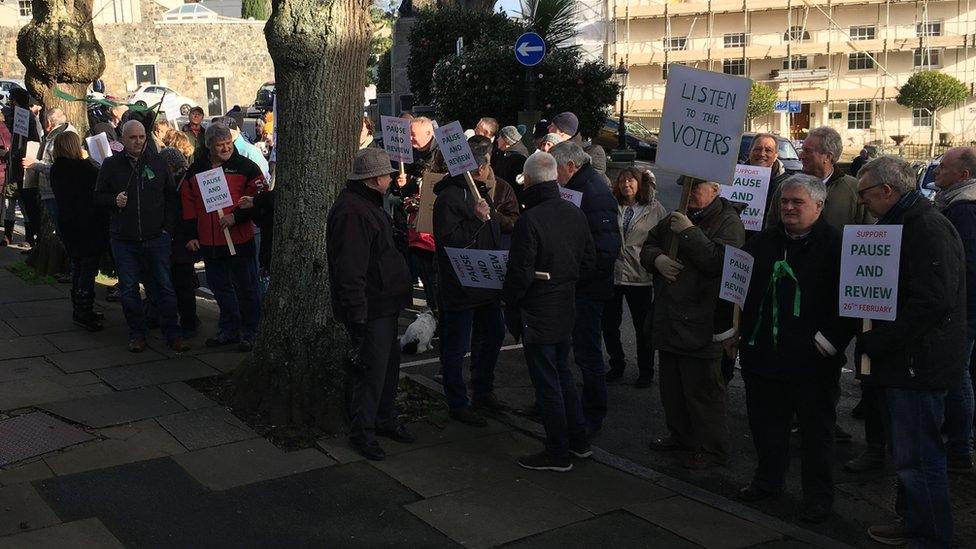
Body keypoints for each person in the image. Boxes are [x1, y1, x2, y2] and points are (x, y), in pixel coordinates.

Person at [733, 174, 855, 523]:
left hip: (812, 359)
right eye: (784, 201)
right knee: (766, 424)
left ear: (818, 206)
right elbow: (741, 289)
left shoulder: (837, 246)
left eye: (796, 202)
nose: (787, 207)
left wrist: (828, 341)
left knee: (816, 432)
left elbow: (850, 302)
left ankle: (817, 498)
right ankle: (767, 481)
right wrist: (733, 332)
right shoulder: (762, 242)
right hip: (764, 355)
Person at [856, 156, 964, 548]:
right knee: (909, 455)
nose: (861, 202)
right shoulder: (904, 224)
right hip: (906, 360)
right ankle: (914, 521)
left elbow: (932, 302)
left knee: (919, 457)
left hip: (918, 364)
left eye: (864, 193)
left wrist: (880, 341)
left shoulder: (925, 227)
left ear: (886, 191)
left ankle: (932, 535)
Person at [641, 179, 745, 469]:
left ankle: (712, 448)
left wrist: (689, 232)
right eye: (687, 186)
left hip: (703, 320)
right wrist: (657, 258)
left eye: (697, 186)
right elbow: (647, 246)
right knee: (672, 389)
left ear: (715, 189)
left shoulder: (728, 221)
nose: (690, 192)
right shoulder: (675, 215)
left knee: (703, 392)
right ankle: (681, 436)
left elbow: (720, 263)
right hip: (670, 317)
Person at [503, 151, 596, 472]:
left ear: (528, 180)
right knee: (563, 374)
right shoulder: (574, 212)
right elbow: (589, 262)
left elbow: (519, 273)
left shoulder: (531, 219)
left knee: (547, 383)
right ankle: (579, 441)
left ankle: (557, 451)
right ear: (556, 177)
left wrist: (511, 302)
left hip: (539, 310)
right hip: (565, 305)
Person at [327, 148, 415, 461]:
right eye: (388, 174)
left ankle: (383, 419)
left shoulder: (364, 205)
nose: (392, 178)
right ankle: (362, 432)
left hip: (381, 303)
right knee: (371, 372)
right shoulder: (354, 211)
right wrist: (357, 315)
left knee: (387, 367)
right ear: (375, 178)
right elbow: (350, 270)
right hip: (370, 308)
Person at [94, 120, 189, 352]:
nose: (138, 141)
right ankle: (137, 333)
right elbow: (98, 197)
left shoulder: (158, 163)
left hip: (156, 238)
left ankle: (172, 333)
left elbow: (171, 198)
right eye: (132, 138)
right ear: (123, 140)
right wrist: (113, 200)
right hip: (124, 239)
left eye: (141, 137)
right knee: (128, 290)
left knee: (164, 287)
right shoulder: (111, 165)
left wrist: (167, 229)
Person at [550, 141, 620, 436]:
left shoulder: (593, 190)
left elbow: (605, 250)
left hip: (587, 291)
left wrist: (575, 276)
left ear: (570, 166)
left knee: (588, 355)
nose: (554, 177)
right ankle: (568, 408)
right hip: (575, 286)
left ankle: (592, 417)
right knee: (569, 352)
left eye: (556, 170)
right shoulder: (580, 185)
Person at [433, 143, 505, 427]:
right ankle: (458, 401)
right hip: (461, 284)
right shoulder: (449, 198)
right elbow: (451, 242)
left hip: (486, 281)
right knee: (456, 344)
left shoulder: (481, 194)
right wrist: (476, 219)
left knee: (494, 334)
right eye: (486, 165)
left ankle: (483, 389)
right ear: (478, 169)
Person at [182, 124, 263, 352]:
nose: (227, 148)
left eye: (229, 143)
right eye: (220, 145)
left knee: (247, 287)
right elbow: (188, 204)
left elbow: (260, 198)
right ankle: (229, 327)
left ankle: (251, 331)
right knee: (220, 287)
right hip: (210, 242)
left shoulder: (246, 168)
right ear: (209, 146)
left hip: (239, 239)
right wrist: (190, 234)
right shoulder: (196, 170)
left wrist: (236, 217)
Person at [932, 146, 976, 473]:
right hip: (964, 307)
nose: (936, 171)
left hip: (964, 309)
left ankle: (959, 447)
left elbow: (963, 264)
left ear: (963, 175)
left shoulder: (964, 209)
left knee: (957, 374)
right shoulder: (954, 202)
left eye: (943, 168)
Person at [604, 168, 667, 387]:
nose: (625, 185)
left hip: (640, 277)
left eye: (630, 181)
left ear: (639, 184)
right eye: (621, 181)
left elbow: (664, 239)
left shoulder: (654, 209)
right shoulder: (613, 206)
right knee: (609, 324)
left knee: (643, 328)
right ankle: (617, 363)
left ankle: (646, 370)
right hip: (613, 274)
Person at [50, 131, 108, 331]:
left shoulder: (57, 169)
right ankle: (85, 310)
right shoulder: (84, 168)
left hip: (68, 224)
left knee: (77, 265)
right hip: (88, 225)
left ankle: (79, 309)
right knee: (88, 267)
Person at [159, 146, 200, 338]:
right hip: (180, 238)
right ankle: (189, 320)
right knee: (183, 282)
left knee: (182, 284)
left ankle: (189, 322)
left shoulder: (181, 183)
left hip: (181, 238)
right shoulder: (183, 180)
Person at [24, 108, 75, 234]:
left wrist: (35, 164)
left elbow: (59, 168)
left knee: (62, 230)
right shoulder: (68, 132)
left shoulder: (58, 138)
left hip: (54, 191)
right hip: (60, 191)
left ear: (48, 122)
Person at [6, 88, 42, 249]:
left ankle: (34, 237)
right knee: (25, 203)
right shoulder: (21, 117)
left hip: (26, 166)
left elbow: (32, 141)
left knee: (30, 204)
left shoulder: (27, 118)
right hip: (19, 166)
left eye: (12, 100)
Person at [468, 135, 520, 242]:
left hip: (490, 246)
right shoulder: (452, 186)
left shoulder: (503, 188)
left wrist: (493, 215)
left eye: (479, 154)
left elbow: (513, 222)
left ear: (488, 156)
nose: (475, 158)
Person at [744, 133, 791, 231]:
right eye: (757, 149)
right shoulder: (734, 177)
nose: (761, 154)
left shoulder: (786, 184)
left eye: (768, 150)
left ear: (775, 155)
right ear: (750, 152)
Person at [549, 111, 608, 176]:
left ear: (561, 131)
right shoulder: (557, 146)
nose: (548, 128)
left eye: (552, 126)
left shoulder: (569, 153)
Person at [491, 126, 528, 198]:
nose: (497, 139)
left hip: (508, 198)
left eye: (500, 137)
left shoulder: (519, 159)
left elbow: (518, 183)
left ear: (506, 140)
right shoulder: (501, 153)